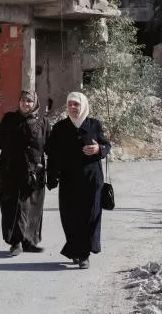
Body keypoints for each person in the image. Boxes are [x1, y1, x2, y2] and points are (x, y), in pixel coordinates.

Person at [0, 91, 49, 257]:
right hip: (10, 171)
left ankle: (29, 241)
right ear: (19, 102)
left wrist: (58, 170)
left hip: (34, 172)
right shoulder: (9, 119)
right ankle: (15, 243)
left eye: (29, 101)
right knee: (13, 207)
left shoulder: (43, 121)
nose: (25, 104)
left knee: (33, 206)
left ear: (35, 103)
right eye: (23, 100)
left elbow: (51, 147)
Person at [45, 91, 111, 269]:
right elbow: (52, 153)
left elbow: (107, 145)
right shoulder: (60, 127)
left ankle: (84, 254)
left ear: (83, 106)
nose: (73, 107)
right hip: (69, 179)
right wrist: (51, 176)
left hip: (91, 179)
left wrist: (98, 149)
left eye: (76, 104)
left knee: (90, 216)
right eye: (70, 104)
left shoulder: (94, 124)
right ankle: (75, 249)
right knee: (69, 217)